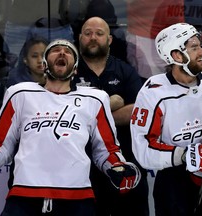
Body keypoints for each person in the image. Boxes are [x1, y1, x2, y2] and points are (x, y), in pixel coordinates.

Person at [0, 39, 141, 216]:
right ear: (44, 65)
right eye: (55, 50)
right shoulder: (20, 93)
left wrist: (119, 168)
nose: (62, 52)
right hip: (24, 199)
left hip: (76, 200)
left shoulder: (95, 99)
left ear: (75, 68)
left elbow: (107, 150)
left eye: (68, 52)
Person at [130, 22, 202, 216]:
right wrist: (186, 155)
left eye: (200, 45)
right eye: (194, 47)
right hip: (174, 181)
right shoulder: (153, 93)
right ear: (176, 56)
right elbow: (143, 149)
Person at [72, 17, 149, 216]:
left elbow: (138, 110)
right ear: (80, 38)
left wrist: (93, 118)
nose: (93, 38)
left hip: (125, 161)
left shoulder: (124, 70)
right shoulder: (68, 72)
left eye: (99, 33)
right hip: (80, 167)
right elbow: (63, 110)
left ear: (110, 39)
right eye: (87, 33)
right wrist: (111, 103)